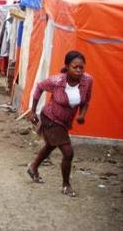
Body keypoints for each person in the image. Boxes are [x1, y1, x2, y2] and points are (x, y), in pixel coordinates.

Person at [27, 51, 93, 197]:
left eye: (81, 67)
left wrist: (82, 115)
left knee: (51, 145)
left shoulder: (87, 81)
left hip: (65, 122)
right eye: (75, 67)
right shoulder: (57, 81)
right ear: (67, 66)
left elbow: (86, 101)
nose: (78, 70)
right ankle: (66, 185)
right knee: (68, 152)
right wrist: (33, 111)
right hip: (50, 118)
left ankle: (33, 167)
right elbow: (39, 87)